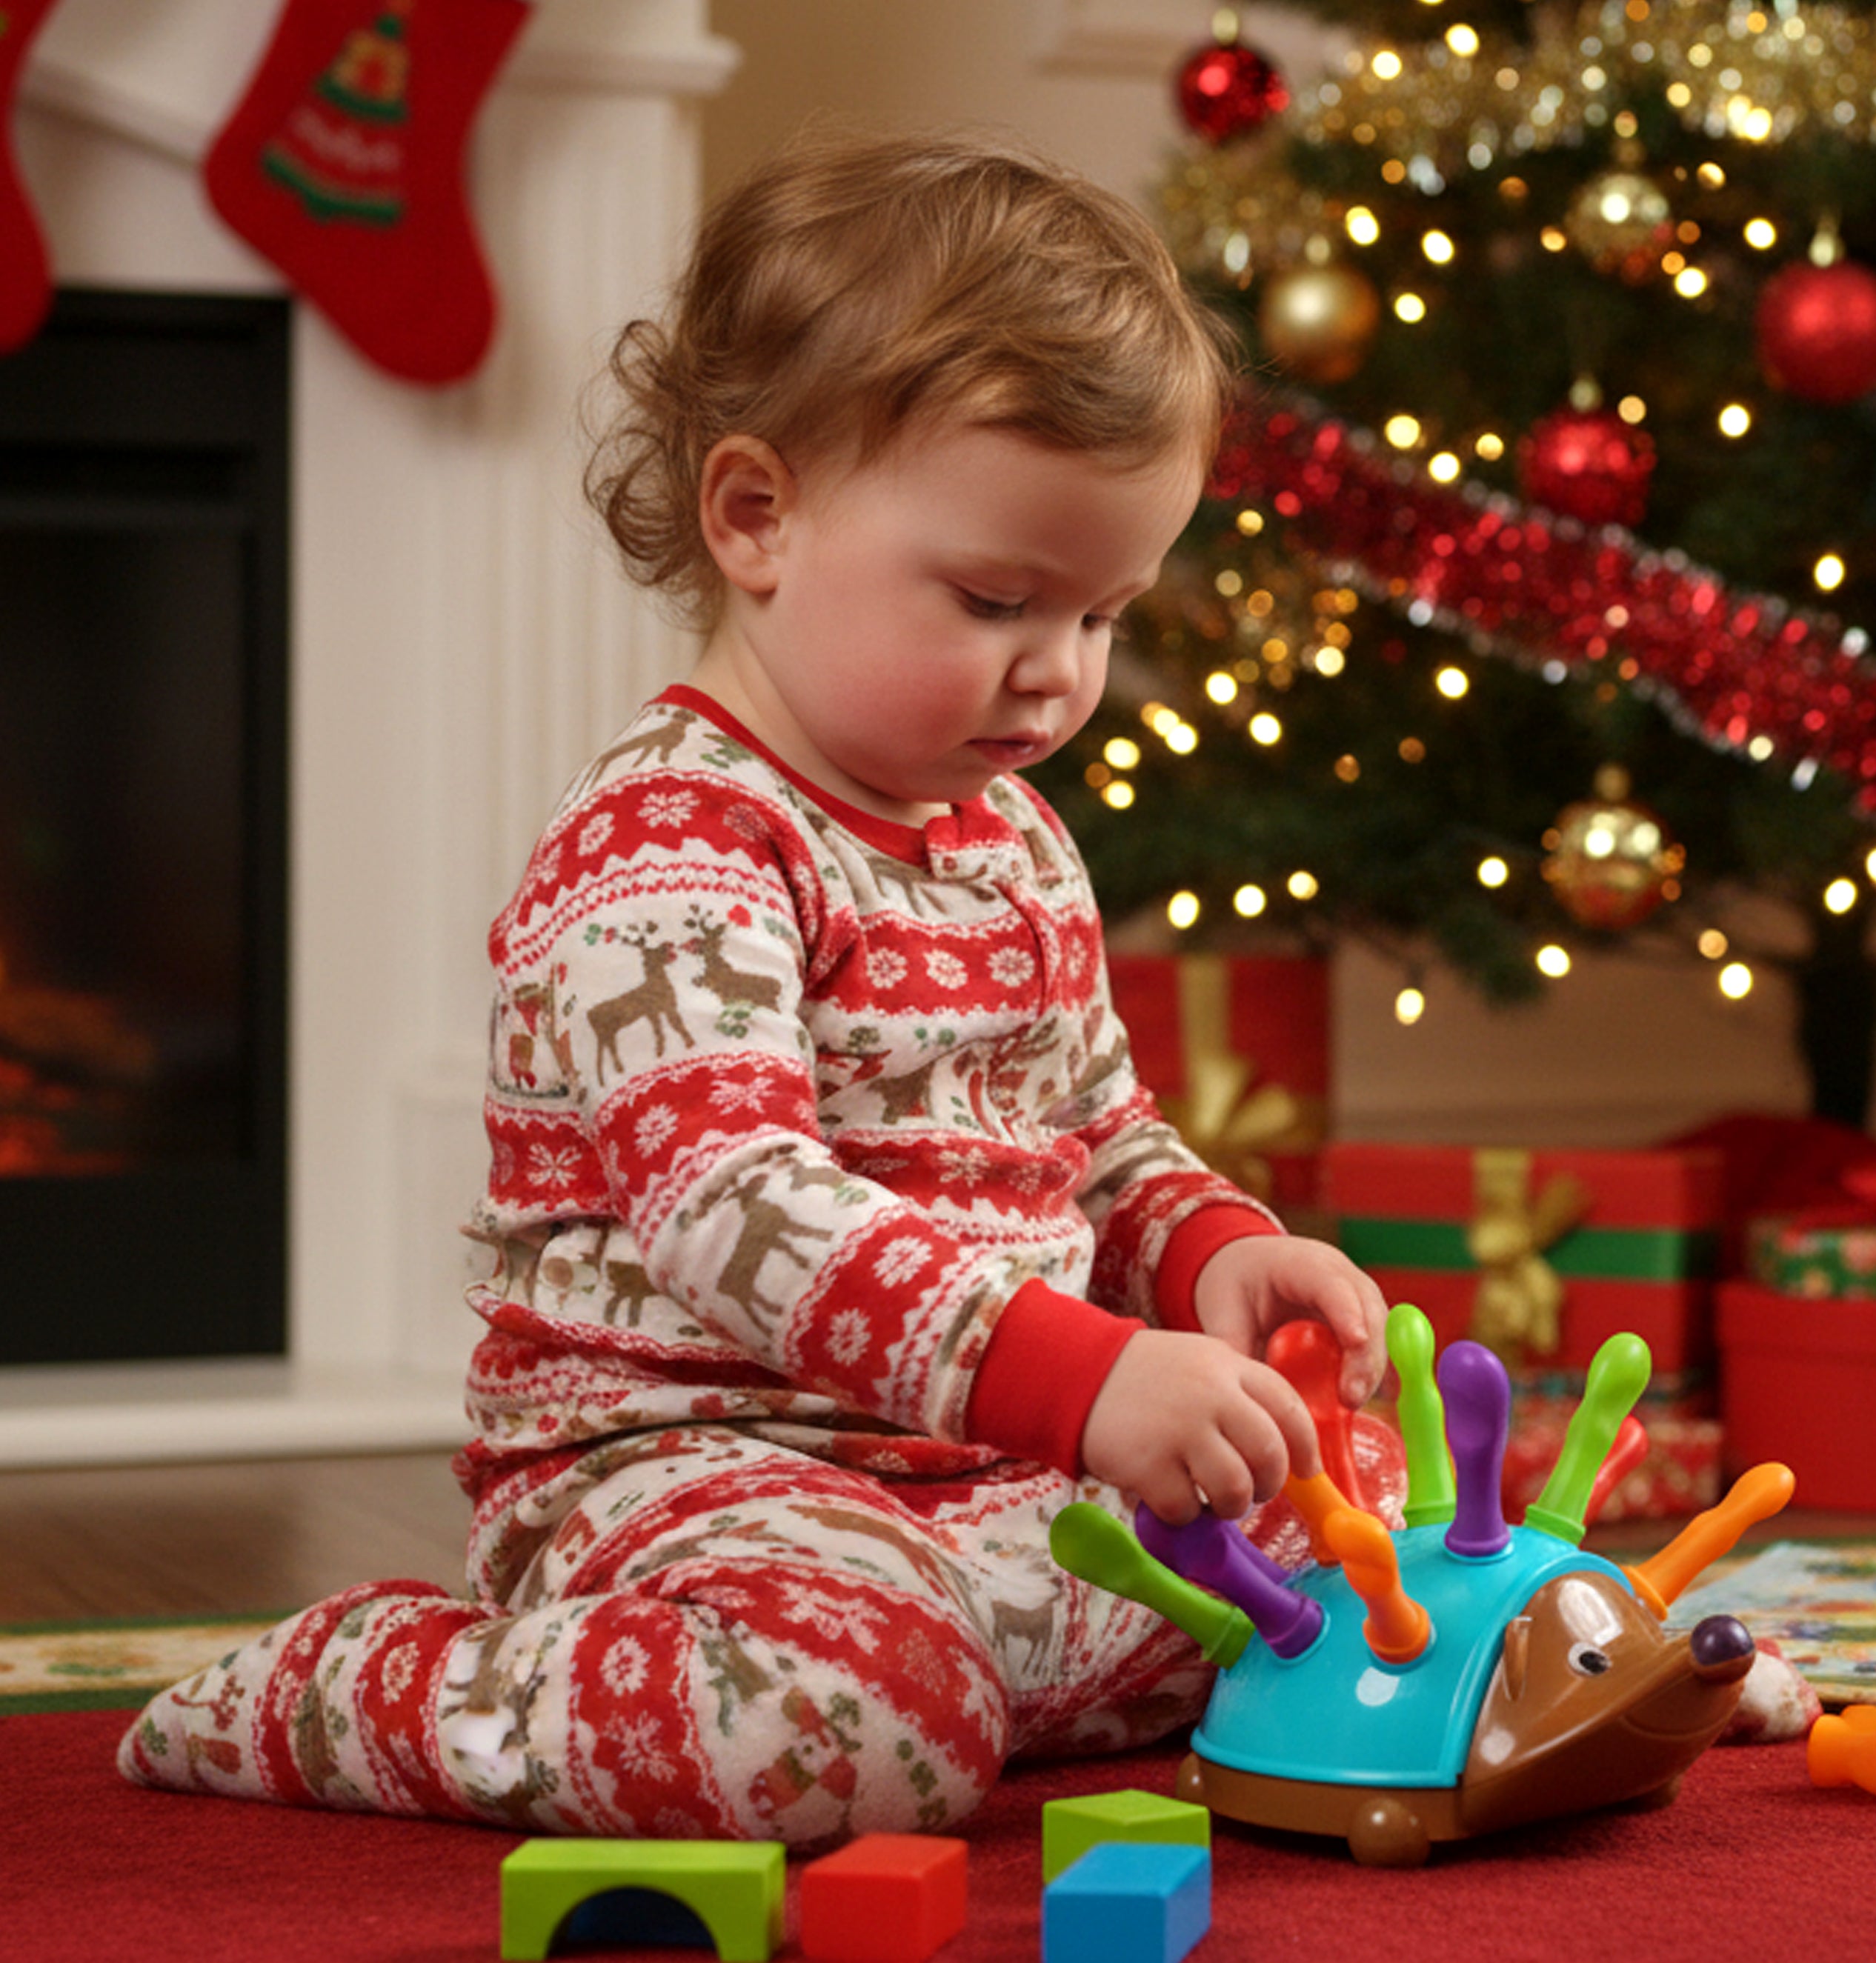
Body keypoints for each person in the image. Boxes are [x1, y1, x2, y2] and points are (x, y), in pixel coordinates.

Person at [119, 127, 1390, 1848]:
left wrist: (1213, 1247)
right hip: (682, 1477)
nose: (1057, 675)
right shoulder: (669, 842)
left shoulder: (1009, 837)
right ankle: (365, 1678)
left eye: (1103, 614)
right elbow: (738, 1210)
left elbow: (1093, 1138)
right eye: (999, 598)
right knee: (848, 1725)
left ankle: (971, 1664)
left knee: (1345, 1513)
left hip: (977, 1479)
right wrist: (1087, 1379)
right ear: (755, 513)